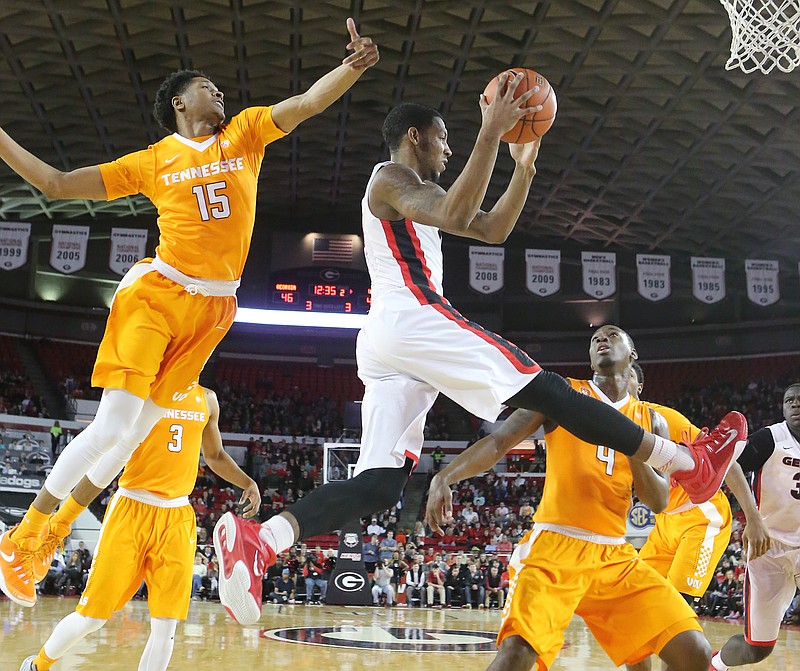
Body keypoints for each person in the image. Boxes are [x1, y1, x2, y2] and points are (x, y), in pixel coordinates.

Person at [213, 82, 746, 626]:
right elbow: (452, 211)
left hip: (389, 340)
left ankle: (262, 541)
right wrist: (490, 130)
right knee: (550, 391)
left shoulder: (415, 193)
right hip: (414, 317)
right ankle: (687, 462)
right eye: (444, 140)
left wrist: (523, 167)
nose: (449, 150)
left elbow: (490, 227)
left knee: (380, 482)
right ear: (414, 137)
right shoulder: (391, 178)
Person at [0, 18, 378, 608]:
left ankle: (42, 535)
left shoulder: (244, 135)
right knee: (111, 425)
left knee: (126, 434)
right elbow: (53, 182)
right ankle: (26, 536)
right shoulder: (154, 160)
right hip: (158, 294)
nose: (220, 93)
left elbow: (304, 104)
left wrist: (352, 66)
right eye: (208, 87)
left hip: (213, 310)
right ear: (179, 102)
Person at [426, 325, 720, 671]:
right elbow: (499, 441)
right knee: (517, 655)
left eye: (613, 335)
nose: (601, 339)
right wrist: (446, 475)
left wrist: (633, 445)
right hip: (555, 546)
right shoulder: (563, 393)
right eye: (596, 338)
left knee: (695, 653)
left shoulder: (651, 419)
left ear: (632, 354)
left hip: (614, 555)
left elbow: (657, 502)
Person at [17, 386, 259, 671]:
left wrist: (248, 482)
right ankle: (38, 665)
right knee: (92, 617)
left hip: (177, 516)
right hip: (132, 506)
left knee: (166, 625)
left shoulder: (208, 399)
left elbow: (215, 455)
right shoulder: (146, 388)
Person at [625, 363, 770, 671]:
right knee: (635, 608)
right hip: (666, 522)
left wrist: (753, 517)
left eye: (625, 376)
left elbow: (725, 462)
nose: (615, 383)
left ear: (638, 387)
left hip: (702, 517)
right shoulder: (604, 428)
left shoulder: (666, 420)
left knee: (675, 616)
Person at [711, 383, 800, 671]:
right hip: (767, 547)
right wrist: (752, 518)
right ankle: (715, 664)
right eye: (790, 400)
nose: (795, 404)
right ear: (783, 408)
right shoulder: (772, 438)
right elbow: (728, 463)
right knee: (755, 650)